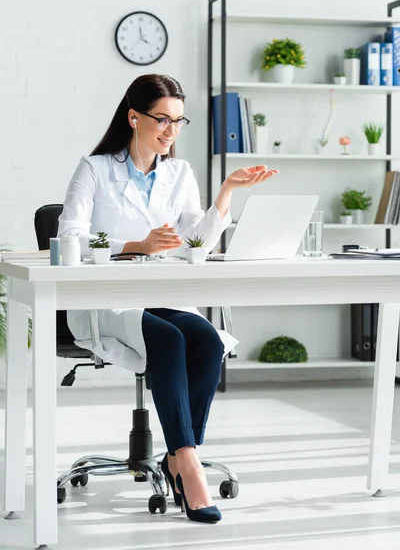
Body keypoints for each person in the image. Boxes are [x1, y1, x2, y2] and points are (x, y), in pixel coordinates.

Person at [58, 74, 278, 523]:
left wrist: (228, 191)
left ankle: (181, 456)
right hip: (107, 302)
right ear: (134, 116)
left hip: (163, 294)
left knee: (207, 341)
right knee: (170, 341)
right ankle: (188, 463)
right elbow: (70, 240)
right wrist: (137, 245)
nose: (170, 131)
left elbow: (198, 241)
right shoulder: (95, 169)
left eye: (179, 122)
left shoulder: (179, 172)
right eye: (162, 119)